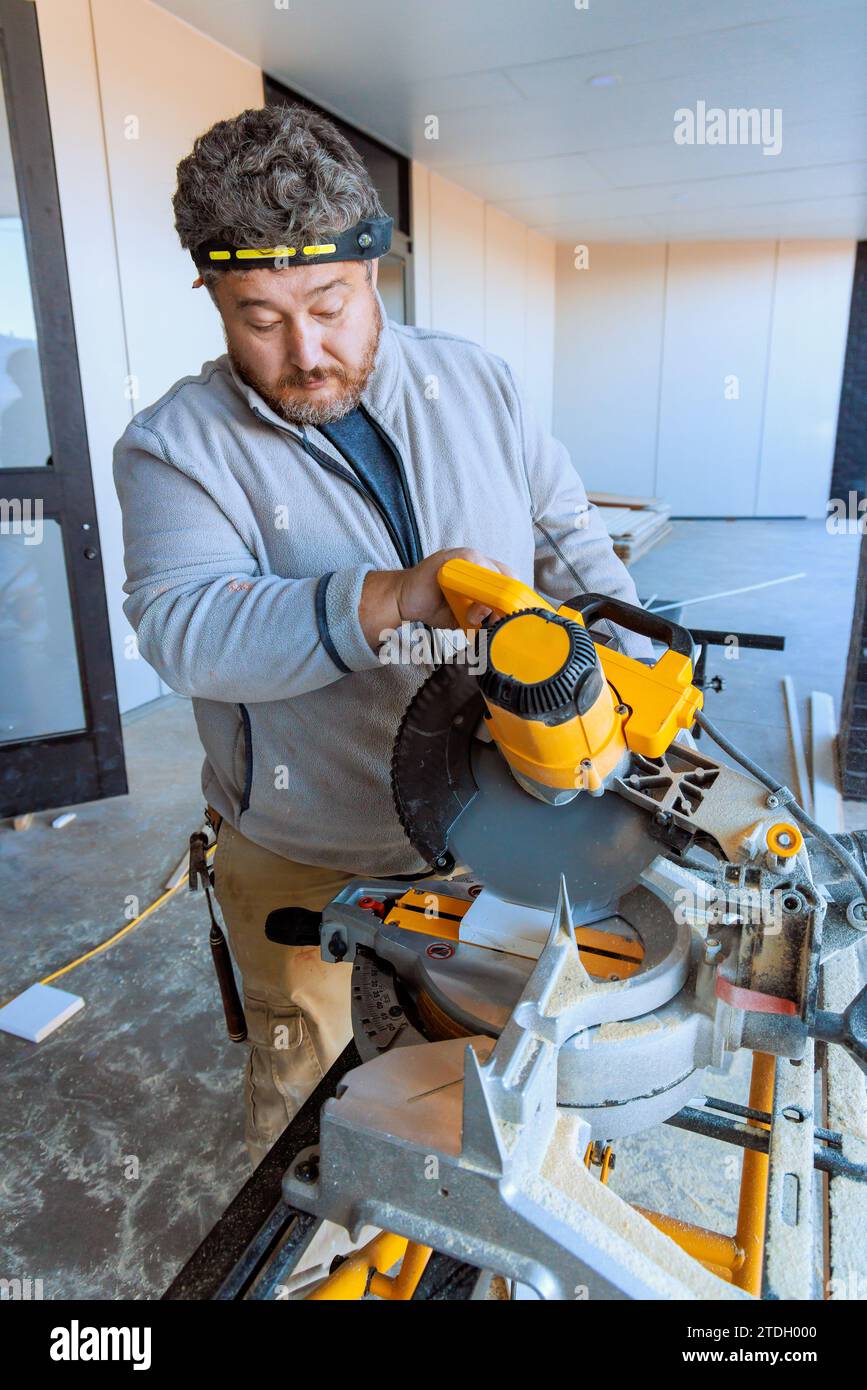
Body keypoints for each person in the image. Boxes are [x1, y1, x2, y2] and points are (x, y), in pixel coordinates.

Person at [114, 102, 651, 1167]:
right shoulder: (173, 445)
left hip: (490, 821)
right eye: (257, 317)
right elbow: (184, 628)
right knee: (313, 1106)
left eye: (328, 303)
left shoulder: (482, 385)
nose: (304, 351)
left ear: (376, 269)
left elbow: (568, 542)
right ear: (211, 296)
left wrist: (628, 654)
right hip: (303, 851)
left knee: (497, 1078)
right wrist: (395, 599)